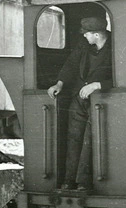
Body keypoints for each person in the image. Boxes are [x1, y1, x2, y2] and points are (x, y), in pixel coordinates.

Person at [47, 16, 113, 191]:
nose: (84, 37)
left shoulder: (116, 46)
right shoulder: (84, 46)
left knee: (90, 140)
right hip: (80, 99)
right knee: (74, 137)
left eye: (87, 34)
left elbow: (125, 74)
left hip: (101, 101)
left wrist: (98, 85)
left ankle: (84, 182)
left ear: (97, 35)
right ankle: (69, 180)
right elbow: (71, 64)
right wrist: (59, 83)